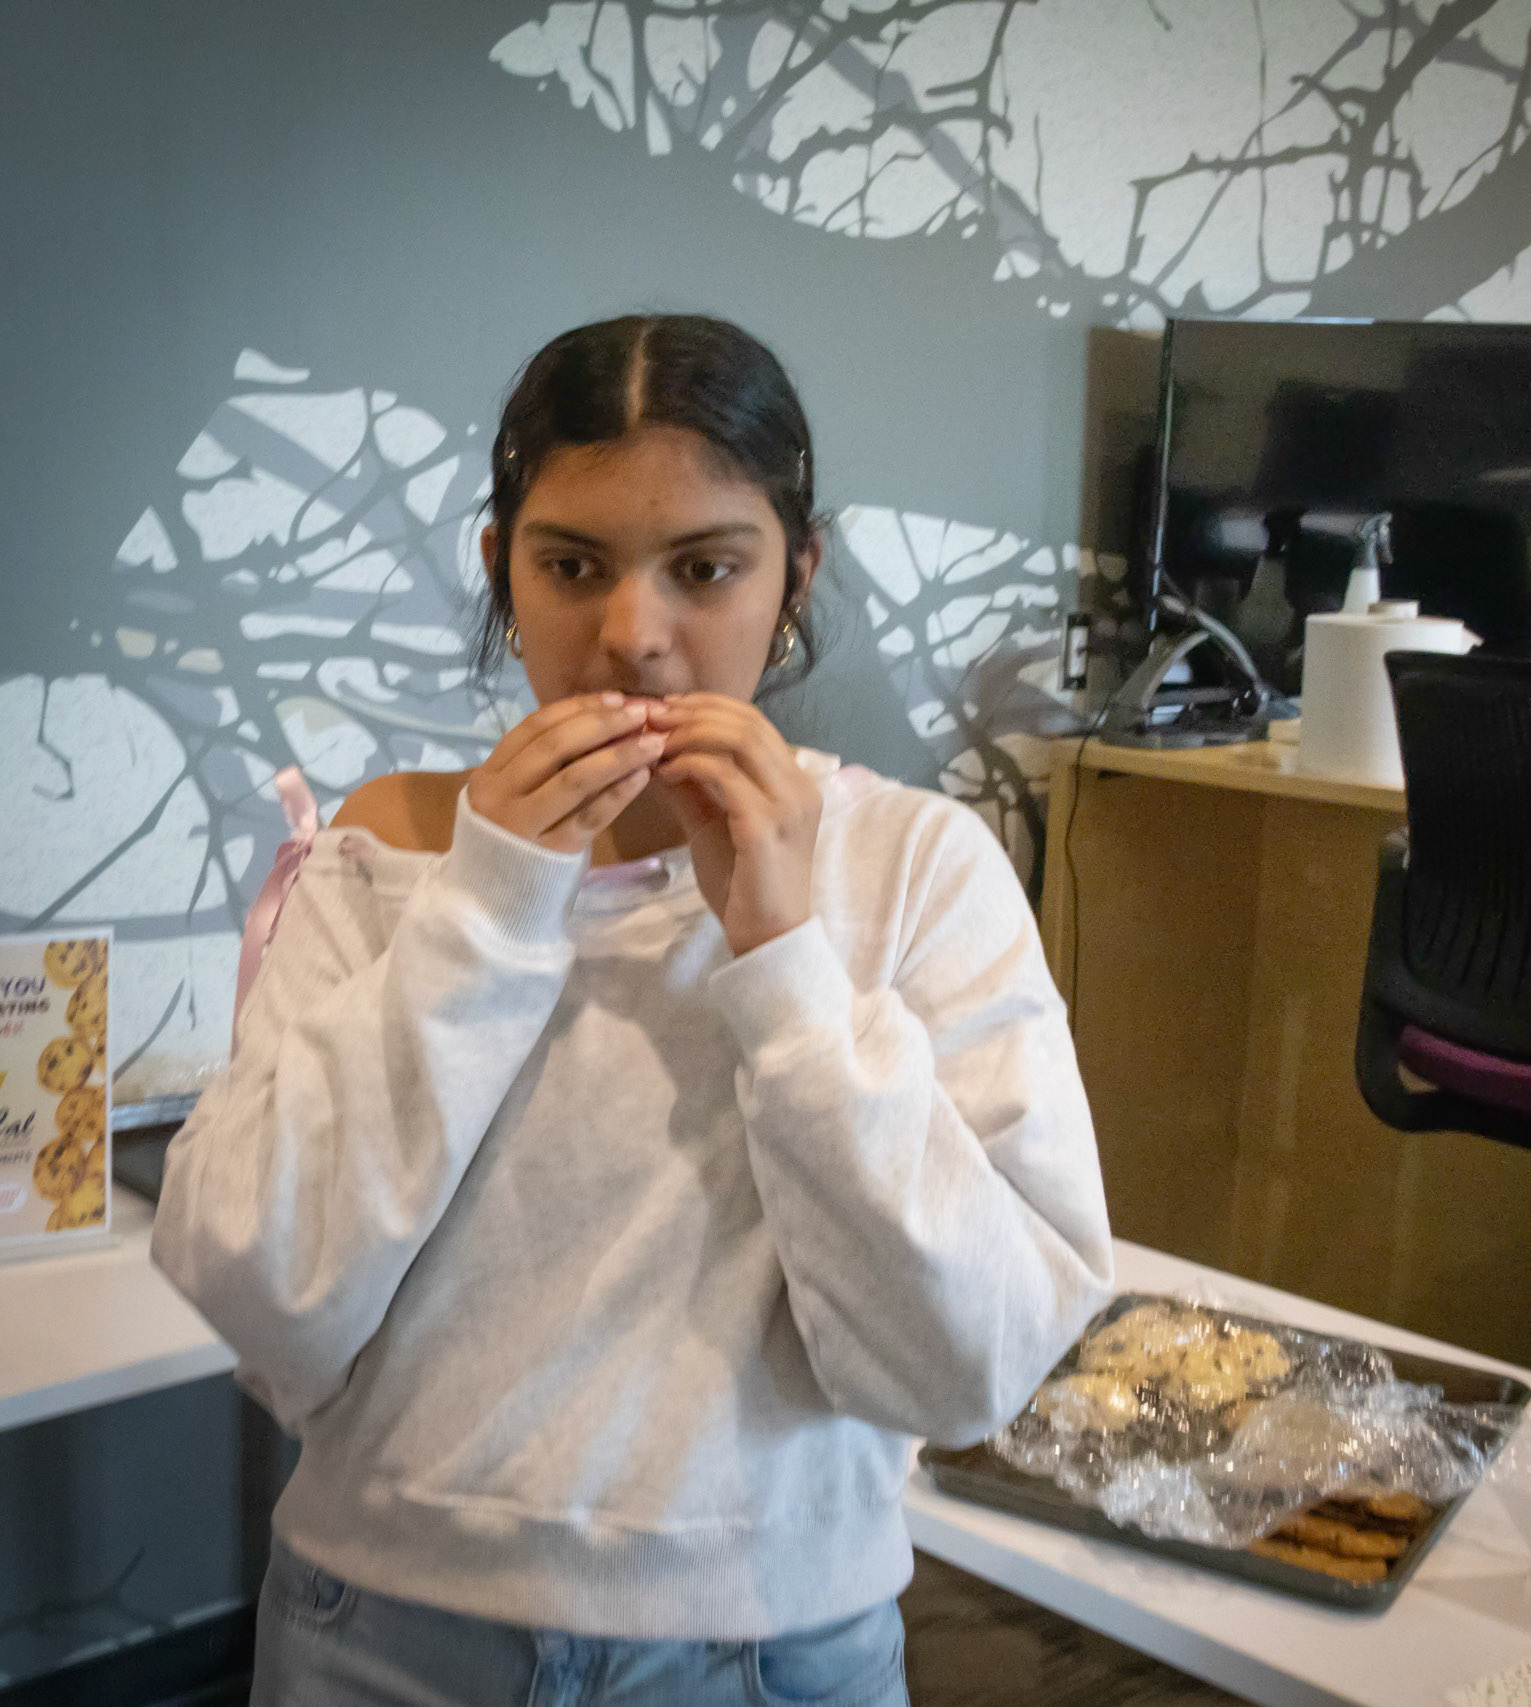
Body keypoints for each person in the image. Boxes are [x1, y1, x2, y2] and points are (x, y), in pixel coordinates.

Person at [152, 314, 1114, 1707]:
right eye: (572, 566)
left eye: (707, 568)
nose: (634, 639)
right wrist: (486, 907)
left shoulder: (914, 868)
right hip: (382, 1632)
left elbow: (969, 1366)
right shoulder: (380, 859)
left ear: (797, 578)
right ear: (502, 569)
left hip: (779, 1647)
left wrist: (784, 958)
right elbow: (257, 1291)